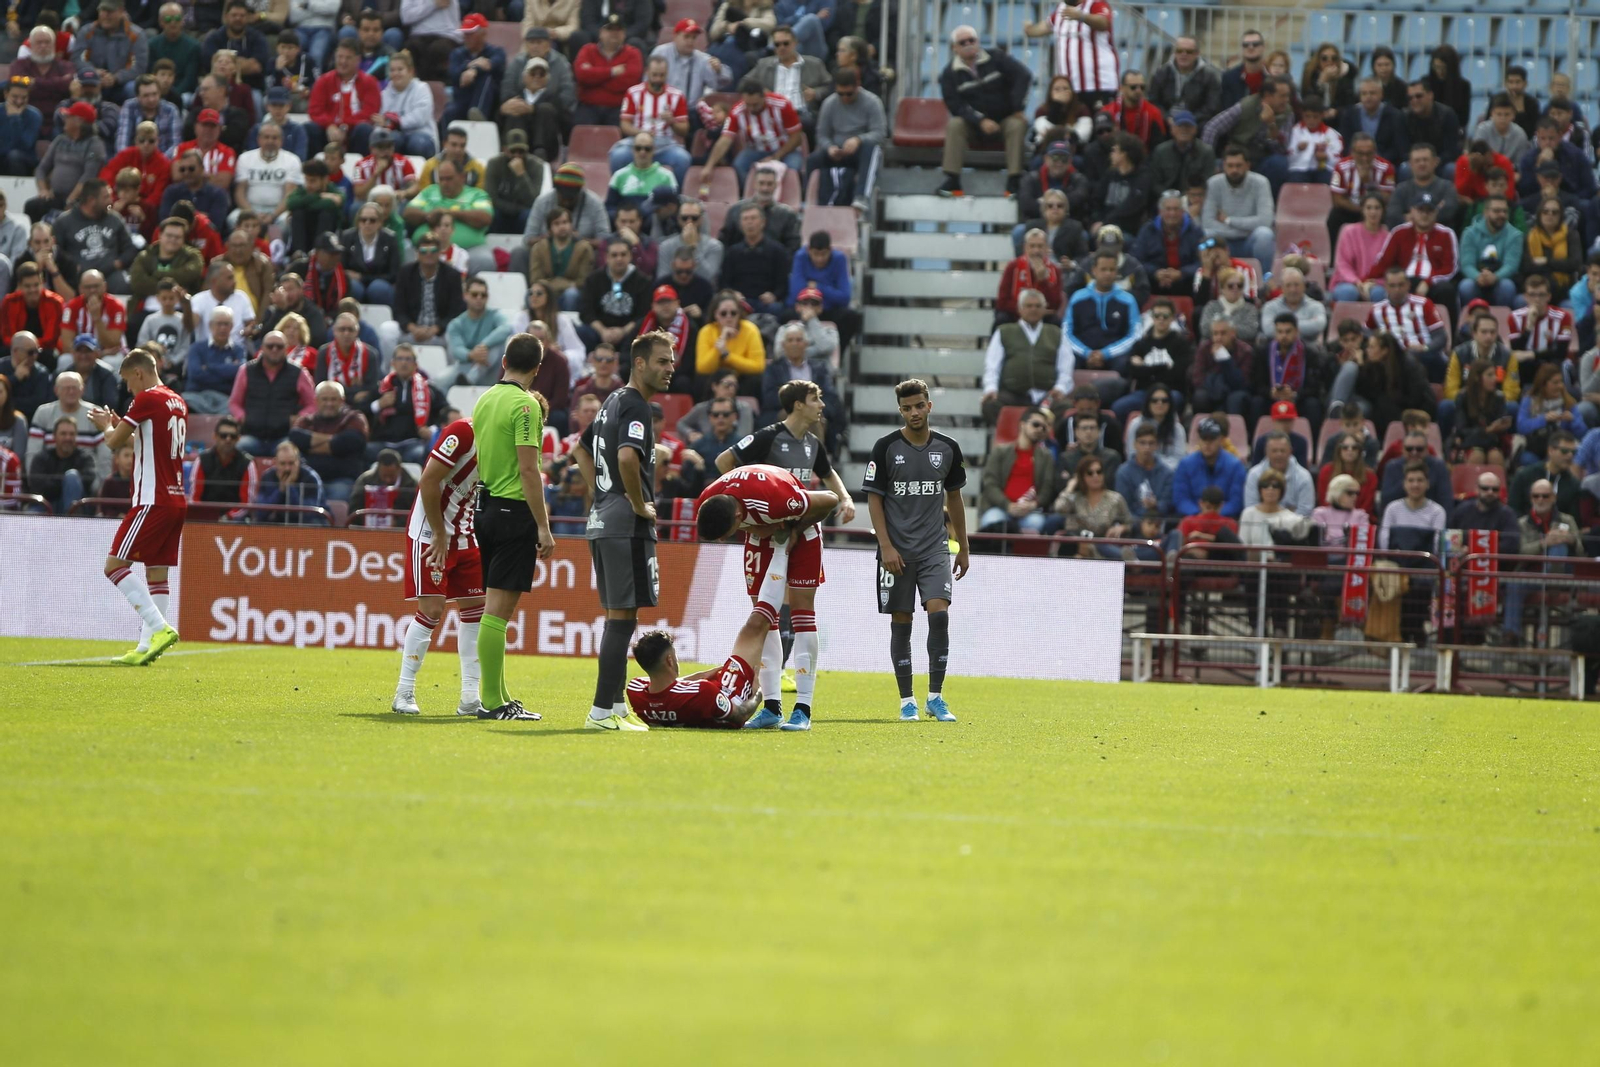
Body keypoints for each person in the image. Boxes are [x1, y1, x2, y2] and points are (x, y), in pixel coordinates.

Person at [710, 381, 854, 728]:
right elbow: (723, 461)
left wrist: (845, 498)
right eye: (815, 398)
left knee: (803, 614)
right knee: (766, 619)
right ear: (797, 405)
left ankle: (802, 709)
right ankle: (772, 706)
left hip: (803, 532)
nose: (821, 404)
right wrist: (746, 509)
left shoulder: (812, 444)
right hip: (764, 535)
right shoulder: (768, 437)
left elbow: (828, 473)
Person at [570, 331, 677, 731]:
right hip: (624, 522)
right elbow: (628, 458)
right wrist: (634, 502)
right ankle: (600, 711)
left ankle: (614, 709)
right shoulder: (635, 406)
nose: (670, 368)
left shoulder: (611, 402)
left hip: (602, 519)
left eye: (671, 361)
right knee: (621, 619)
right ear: (640, 363)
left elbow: (579, 450)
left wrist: (602, 494)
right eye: (663, 361)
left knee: (621, 616)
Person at [861, 378, 968, 721]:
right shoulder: (886, 447)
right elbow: (874, 500)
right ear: (900, 410)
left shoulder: (948, 447)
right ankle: (907, 700)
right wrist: (886, 546)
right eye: (907, 408)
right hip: (897, 552)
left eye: (919, 405)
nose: (914, 412)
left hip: (935, 547)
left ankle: (935, 697)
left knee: (939, 616)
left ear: (929, 405)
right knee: (901, 623)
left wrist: (963, 547)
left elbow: (955, 498)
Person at [84, 349, 184, 665]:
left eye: (128, 381)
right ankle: (145, 648)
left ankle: (159, 627)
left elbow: (114, 443)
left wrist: (106, 427)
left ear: (138, 373)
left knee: (113, 566)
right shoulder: (176, 401)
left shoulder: (147, 399)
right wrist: (119, 422)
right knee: (157, 573)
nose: (128, 389)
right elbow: (146, 439)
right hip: (176, 498)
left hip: (151, 498)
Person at [389, 408, 486, 715]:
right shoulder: (464, 432)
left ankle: (470, 698)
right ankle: (403, 692)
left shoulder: (506, 443)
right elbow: (429, 481)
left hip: (465, 532)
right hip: (431, 531)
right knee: (432, 610)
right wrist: (440, 534)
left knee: (476, 610)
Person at [934, 27, 1031, 198]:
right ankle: (953, 180)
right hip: (974, 127)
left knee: (1017, 125)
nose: (968, 44)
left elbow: (1023, 75)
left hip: (1004, 121)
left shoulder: (997, 58)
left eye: (972, 40)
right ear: (954, 48)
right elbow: (956, 106)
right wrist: (980, 121)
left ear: (978, 42)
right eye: (962, 42)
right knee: (955, 124)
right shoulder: (948, 75)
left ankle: (1014, 180)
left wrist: (1017, 108)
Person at [700, 77, 805, 194]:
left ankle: (788, 199)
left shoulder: (782, 105)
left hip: (785, 149)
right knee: (739, 165)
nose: (751, 108)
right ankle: (750, 195)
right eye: (748, 104)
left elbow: (796, 137)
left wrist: (776, 156)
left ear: (764, 96)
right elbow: (725, 140)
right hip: (756, 149)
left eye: (755, 105)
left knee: (792, 169)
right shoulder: (736, 112)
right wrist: (709, 166)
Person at [979, 404, 1059, 539]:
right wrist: (1007, 505)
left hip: (1030, 511)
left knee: (1036, 523)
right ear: (1022, 424)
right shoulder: (1000, 451)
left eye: (1044, 427)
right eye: (1035, 424)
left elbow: (1048, 487)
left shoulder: (1046, 456)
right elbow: (989, 483)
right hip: (1001, 507)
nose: (1040, 429)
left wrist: (1033, 504)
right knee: (991, 522)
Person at [382, 236, 465, 356]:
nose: (428, 255)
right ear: (417, 254)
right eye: (424, 251)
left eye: (433, 251)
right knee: (387, 329)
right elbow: (398, 309)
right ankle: (390, 370)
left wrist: (436, 328)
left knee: (455, 332)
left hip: (440, 332)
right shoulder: (405, 273)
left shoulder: (452, 275)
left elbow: (456, 311)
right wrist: (412, 328)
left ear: (439, 253)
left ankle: (453, 373)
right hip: (411, 331)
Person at [1024, 0, 1117, 109]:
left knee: (1101, 124)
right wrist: (1029, 30)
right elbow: (1044, 27)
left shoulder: (1095, 4)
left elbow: (1104, 22)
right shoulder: (1061, 9)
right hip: (1071, 89)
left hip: (1100, 85)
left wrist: (1081, 16)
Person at [1366, 267, 1448, 381]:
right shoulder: (1376, 310)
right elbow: (1366, 335)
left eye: (1401, 285)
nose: (1397, 289)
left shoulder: (1424, 304)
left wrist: (1424, 348)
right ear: (1385, 286)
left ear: (1408, 285)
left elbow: (1441, 337)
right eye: (1392, 285)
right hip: (1390, 360)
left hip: (1422, 356)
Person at [1200, 145, 1275, 268]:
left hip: (1249, 241)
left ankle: (1265, 281)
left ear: (1247, 165)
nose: (1234, 170)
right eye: (1230, 165)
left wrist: (1229, 220)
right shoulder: (1213, 183)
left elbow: (1265, 221)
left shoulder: (1261, 183)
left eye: (1238, 165)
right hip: (1223, 242)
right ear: (1223, 165)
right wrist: (1241, 229)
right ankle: (1209, 280)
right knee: (1207, 235)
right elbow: (1207, 223)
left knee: (1264, 234)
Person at [441, 277, 513, 389]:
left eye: (483, 295)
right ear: (465, 296)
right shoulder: (456, 323)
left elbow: (506, 328)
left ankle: (471, 379)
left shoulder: (495, 315)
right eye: (474, 294)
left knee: (495, 347)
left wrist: (483, 345)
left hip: (491, 369)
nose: (479, 298)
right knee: (439, 381)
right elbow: (456, 350)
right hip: (465, 366)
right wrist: (471, 354)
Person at [1131, 190, 1201, 298]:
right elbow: (1136, 260)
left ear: (1182, 211)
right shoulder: (1147, 230)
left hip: (1186, 281)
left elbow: (1202, 262)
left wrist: (1182, 273)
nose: (1172, 213)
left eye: (1176, 209)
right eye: (1168, 209)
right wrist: (1156, 272)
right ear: (1160, 212)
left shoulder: (1195, 231)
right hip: (1153, 281)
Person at [1174, 416, 1245, 517]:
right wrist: (1198, 515)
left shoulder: (1235, 466)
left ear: (1221, 440)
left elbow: (1236, 502)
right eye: (1204, 439)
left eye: (1212, 439)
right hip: (1194, 520)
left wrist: (1214, 516)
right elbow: (1181, 499)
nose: (1207, 444)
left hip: (1224, 521)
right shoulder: (1185, 464)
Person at [1148, 36, 1220, 127]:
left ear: (1197, 53)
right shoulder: (1161, 73)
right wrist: (1167, 118)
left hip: (1196, 123)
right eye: (1179, 51)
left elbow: (1212, 107)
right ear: (1174, 52)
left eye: (1189, 52)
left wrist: (1189, 120)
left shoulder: (1209, 76)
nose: (1183, 54)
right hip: (1166, 122)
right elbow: (1153, 101)